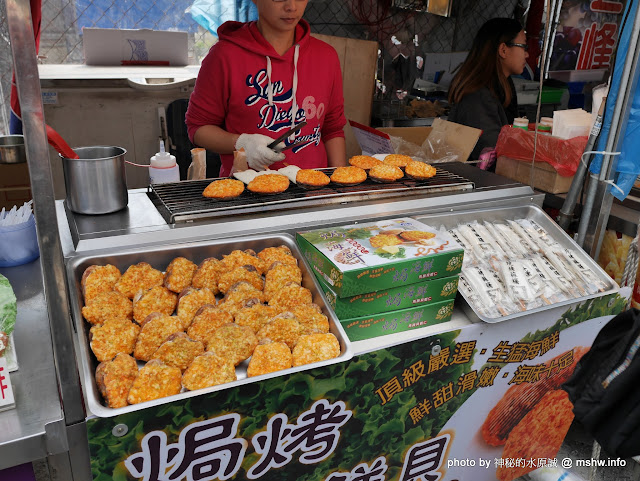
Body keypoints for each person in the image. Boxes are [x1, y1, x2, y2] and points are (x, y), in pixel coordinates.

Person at [186, 0, 347, 177]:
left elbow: (332, 128)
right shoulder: (224, 56)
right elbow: (198, 127)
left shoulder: (326, 56)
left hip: (313, 189)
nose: (291, 7)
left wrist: (339, 186)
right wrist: (242, 142)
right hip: (246, 192)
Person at [448, 18, 529, 161]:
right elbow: (491, 152)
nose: (527, 54)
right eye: (523, 47)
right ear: (503, 50)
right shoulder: (478, 96)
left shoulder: (503, 85)